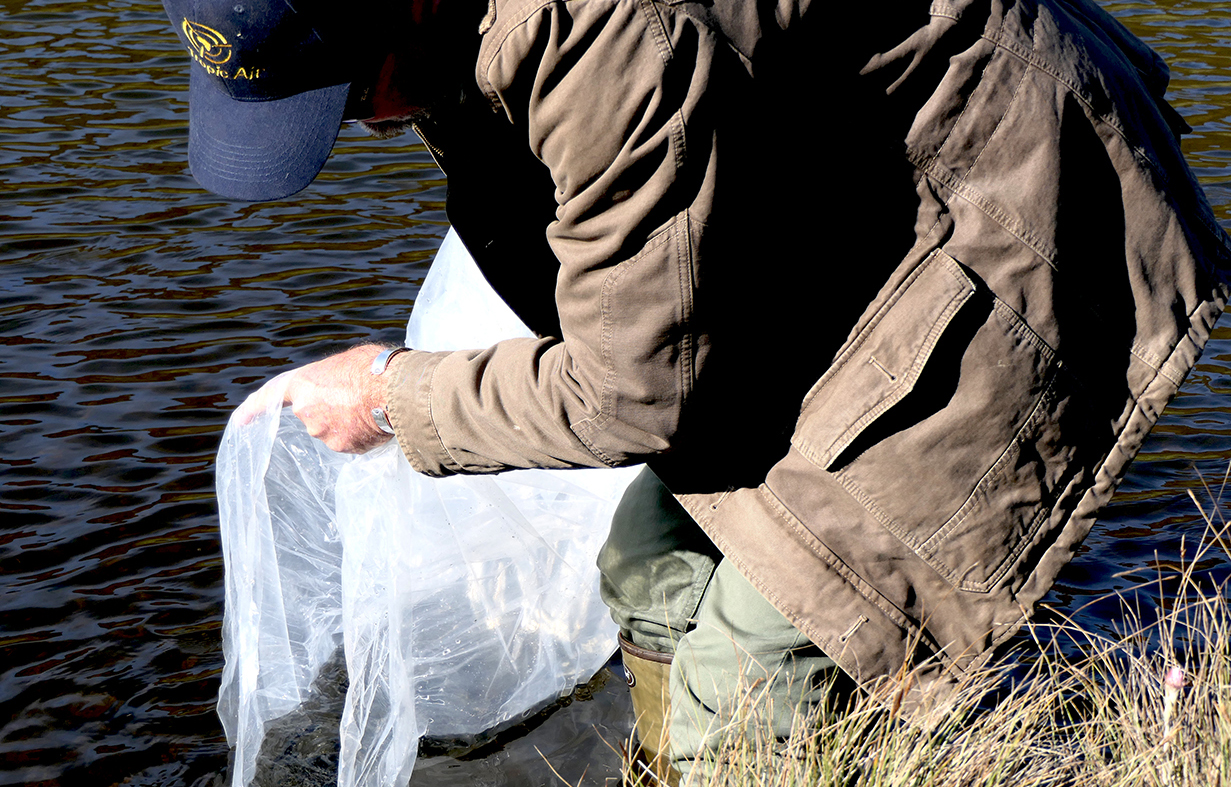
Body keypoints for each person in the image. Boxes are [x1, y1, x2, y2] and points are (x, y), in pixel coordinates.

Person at [163, 0, 1231, 780]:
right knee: (649, 562)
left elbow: (634, 391)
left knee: (766, 655)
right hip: (840, 194)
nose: (361, 124)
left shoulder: (606, 33)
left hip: (1015, 215)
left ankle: (762, 755)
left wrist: (397, 396)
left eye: (350, 94)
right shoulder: (450, 31)